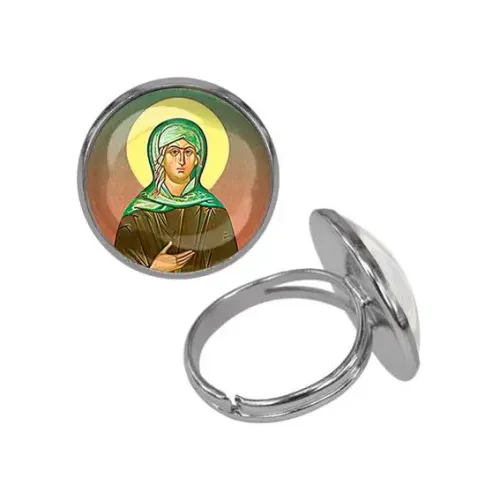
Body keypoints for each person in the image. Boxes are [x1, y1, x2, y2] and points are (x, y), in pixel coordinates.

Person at [115, 118, 238, 273]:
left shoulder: (213, 213)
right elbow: (121, 275)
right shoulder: (136, 216)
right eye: (174, 152)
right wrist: (155, 268)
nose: (182, 160)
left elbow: (229, 271)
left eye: (188, 152)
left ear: (197, 159)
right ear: (160, 158)